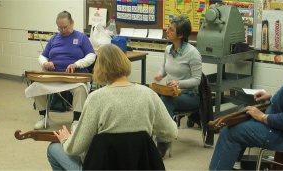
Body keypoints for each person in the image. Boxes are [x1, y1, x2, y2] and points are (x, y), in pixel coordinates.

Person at [209, 31, 283, 170]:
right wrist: (272, 97)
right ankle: (230, 163)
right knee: (240, 118)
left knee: (230, 132)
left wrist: (262, 117)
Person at [47, 44, 178, 170]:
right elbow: (171, 133)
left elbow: (75, 148)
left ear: (99, 68)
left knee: (54, 149)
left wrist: (65, 140)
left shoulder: (96, 99)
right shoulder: (149, 94)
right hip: (140, 166)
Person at [33, 10, 95, 130]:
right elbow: (42, 56)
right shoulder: (54, 39)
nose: (62, 30)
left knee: (80, 89)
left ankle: (76, 120)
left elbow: (91, 56)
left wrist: (76, 64)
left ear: (72, 23)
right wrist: (45, 63)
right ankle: (43, 117)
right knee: (37, 86)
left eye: (65, 27)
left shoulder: (81, 37)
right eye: (59, 27)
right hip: (54, 75)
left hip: (74, 76)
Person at [153, 15, 202, 156]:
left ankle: (162, 143)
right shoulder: (168, 49)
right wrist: (160, 75)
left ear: (180, 35)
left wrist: (178, 83)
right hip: (170, 92)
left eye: (171, 30)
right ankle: (150, 136)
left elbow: (197, 80)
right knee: (153, 97)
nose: (167, 31)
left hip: (189, 96)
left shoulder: (193, 53)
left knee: (165, 101)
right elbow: (164, 68)